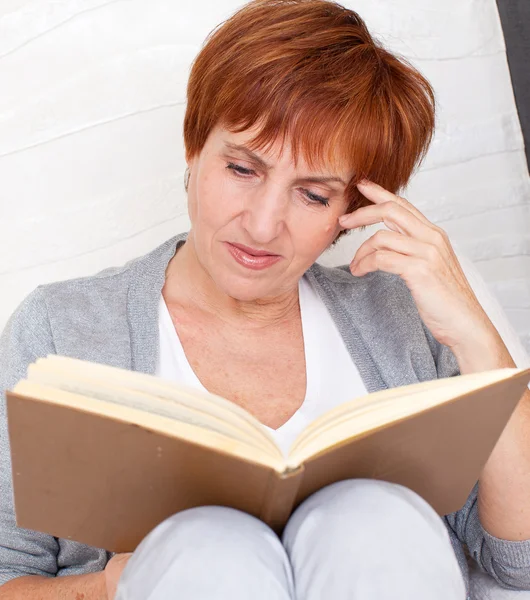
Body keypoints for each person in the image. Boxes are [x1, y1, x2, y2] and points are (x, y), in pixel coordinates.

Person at [1, 0, 529, 598]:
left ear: (351, 213)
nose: (261, 225)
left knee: (373, 521)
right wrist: (116, 584)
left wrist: (479, 342)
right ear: (194, 147)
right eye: (243, 169)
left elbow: (519, 561)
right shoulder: (63, 331)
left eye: (312, 195)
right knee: (205, 547)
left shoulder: (400, 321)